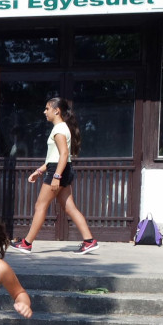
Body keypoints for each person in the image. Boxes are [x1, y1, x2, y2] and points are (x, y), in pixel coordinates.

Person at [12, 97, 100, 255]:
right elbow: (55, 157)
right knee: (70, 207)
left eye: (47, 108)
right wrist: (39, 171)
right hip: (61, 169)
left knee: (40, 206)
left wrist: (56, 176)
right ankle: (89, 241)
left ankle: (27, 243)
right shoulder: (62, 128)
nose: (44, 112)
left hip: (58, 171)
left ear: (56, 111)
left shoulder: (59, 129)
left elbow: (64, 154)